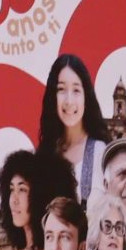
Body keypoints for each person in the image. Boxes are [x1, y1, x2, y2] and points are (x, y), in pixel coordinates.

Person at [36, 53, 110, 205]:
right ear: (53, 96)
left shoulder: (100, 152)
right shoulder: (46, 153)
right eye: (61, 89)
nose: (69, 101)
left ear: (86, 97)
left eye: (76, 90)